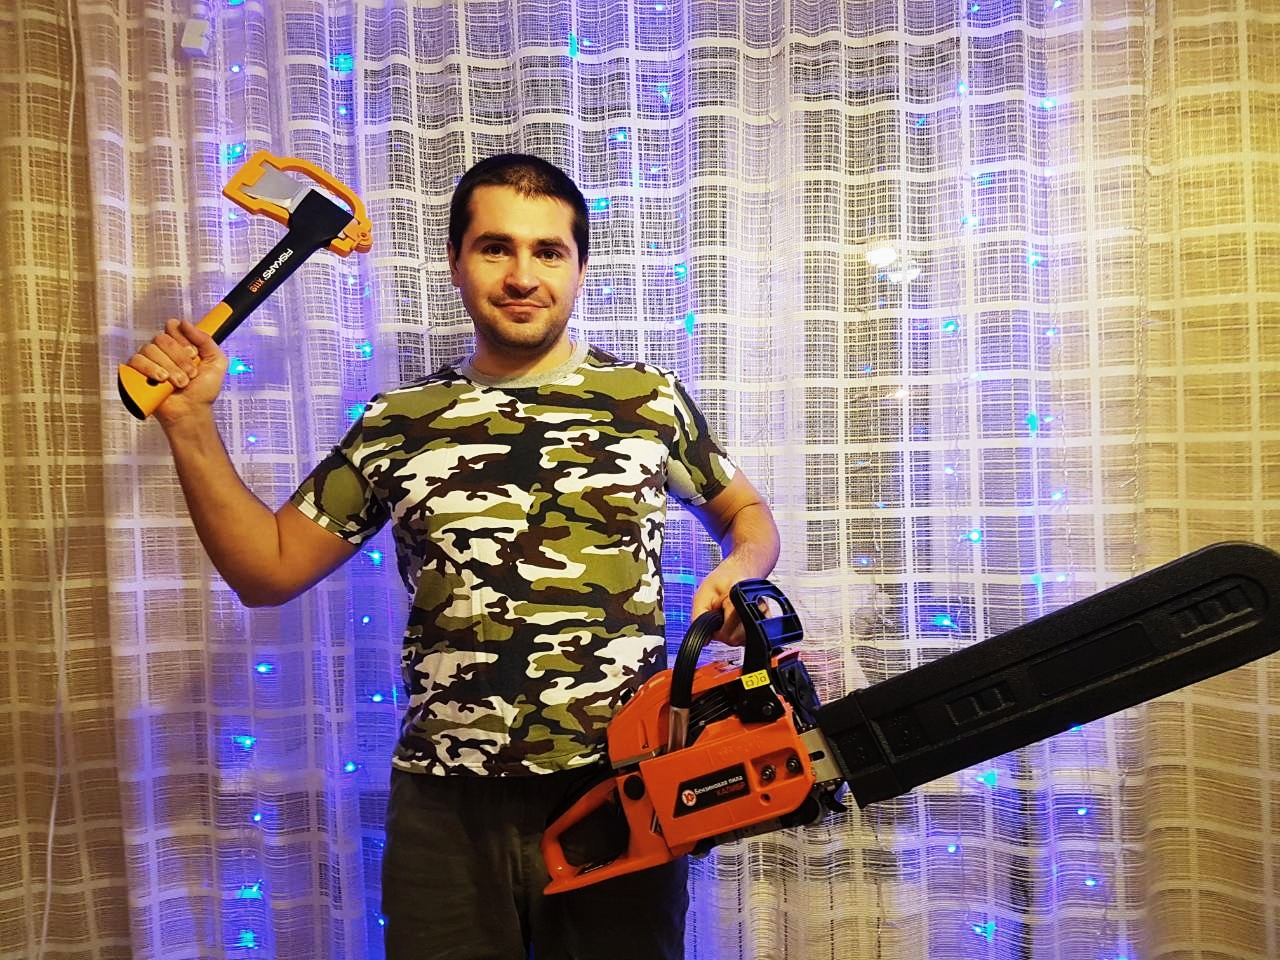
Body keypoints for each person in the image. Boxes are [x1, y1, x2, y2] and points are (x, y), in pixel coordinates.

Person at [126, 153, 780, 960]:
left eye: (549, 251)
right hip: (445, 811)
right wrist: (190, 424)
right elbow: (267, 571)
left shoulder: (647, 400)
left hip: (622, 789)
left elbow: (746, 515)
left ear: (579, 270)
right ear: (455, 261)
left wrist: (742, 567)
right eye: (495, 247)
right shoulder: (399, 421)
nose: (522, 275)